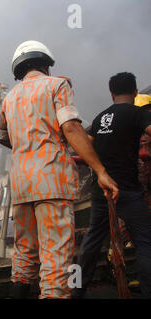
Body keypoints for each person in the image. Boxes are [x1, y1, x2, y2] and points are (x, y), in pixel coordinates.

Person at [0, 40, 119, 299]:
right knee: (55, 259)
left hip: (21, 184)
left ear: (19, 69)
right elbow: (72, 128)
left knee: (24, 254)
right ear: (46, 64)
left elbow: (3, 136)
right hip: (52, 179)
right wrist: (100, 170)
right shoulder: (58, 85)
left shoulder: (8, 99)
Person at [72, 72, 151, 299]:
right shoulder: (137, 113)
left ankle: (77, 291)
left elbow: (85, 144)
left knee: (90, 243)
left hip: (102, 191)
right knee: (145, 242)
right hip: (128, 190)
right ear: (135, 93)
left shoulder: (101, 118)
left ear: (111, 93)